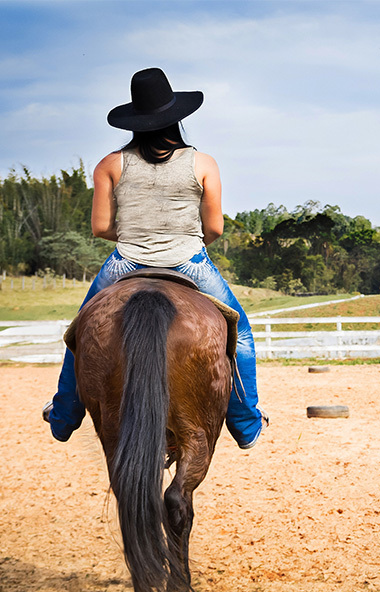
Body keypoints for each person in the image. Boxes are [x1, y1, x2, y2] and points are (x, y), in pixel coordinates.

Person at [44, 67, 266, 449]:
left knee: (80, 333)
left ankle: (64, 416)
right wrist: (184, 242)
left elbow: (100, 227)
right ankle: (245, 423)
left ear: (134, 120)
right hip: (189, 260)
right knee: (239, 331)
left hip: (125, 262)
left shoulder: (110, 165)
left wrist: (136, 236)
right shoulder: (203, 163)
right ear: (176, 116)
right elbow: (214, 228)